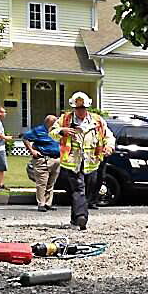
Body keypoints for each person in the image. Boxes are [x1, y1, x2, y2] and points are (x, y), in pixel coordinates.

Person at [50, 92, 115, 231]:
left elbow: (108, 136)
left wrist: (109, 146)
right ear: (74, 108)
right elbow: (52, 132)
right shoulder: (65, 119)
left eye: (83, 108)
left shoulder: (97, 121)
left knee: (88, 191)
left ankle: (75, 220)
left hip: (91, 162)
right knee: (78, 189)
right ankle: (82, 217)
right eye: (78, 108)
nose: (81, 111)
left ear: (87, 107)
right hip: (72, 162)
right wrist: (62, 131)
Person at [22, 114, 61, 212]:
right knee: (42, 182)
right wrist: (32, 151)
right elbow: (25, 138)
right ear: (48, 122)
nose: (56, 123)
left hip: (56, 159)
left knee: (51, 183)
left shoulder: (57, 131)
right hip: (43, 159)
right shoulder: (38, 130)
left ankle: (48, 203)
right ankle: (41, 203)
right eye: (54, 122)